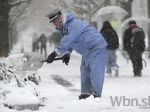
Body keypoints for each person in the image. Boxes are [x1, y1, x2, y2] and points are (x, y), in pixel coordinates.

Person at [45, 9, 107, 99]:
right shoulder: (65, 27)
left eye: (54, 21)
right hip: (87, 50)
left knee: (96, 71)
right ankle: (86, 93)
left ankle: (96, 94)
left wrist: (54, 54)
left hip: (96, 46)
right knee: (85, 71)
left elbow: (67, 40)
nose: (54, 24)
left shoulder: (73, 25)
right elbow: (71, 41)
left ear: (59, 18)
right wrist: (67, 53)